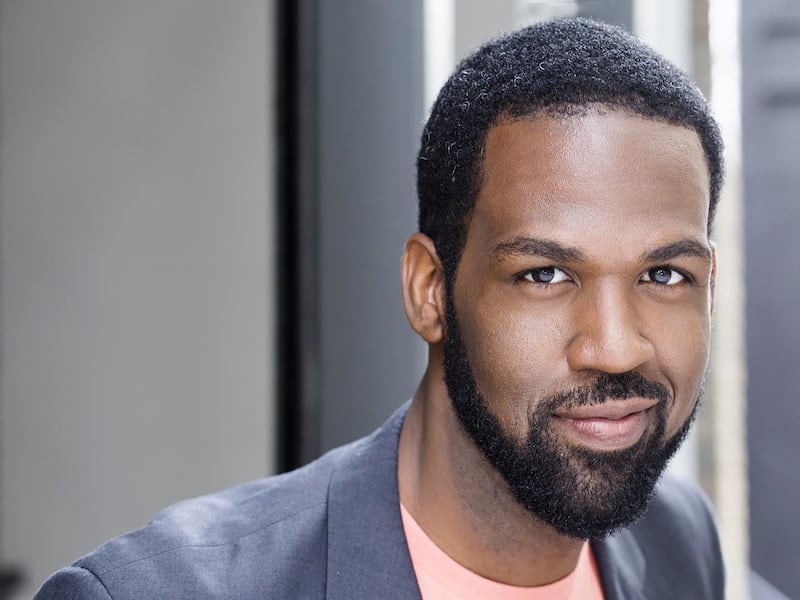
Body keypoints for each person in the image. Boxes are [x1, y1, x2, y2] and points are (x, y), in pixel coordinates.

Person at [35, 17, 725, 599]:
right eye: (544, 274)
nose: (616, 347)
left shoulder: (677, 541)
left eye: (664, 274)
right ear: (429, 290)